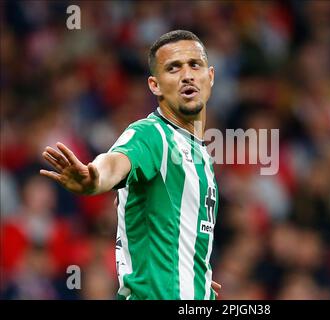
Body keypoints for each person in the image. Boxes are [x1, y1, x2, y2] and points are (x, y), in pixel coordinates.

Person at [40, 30, 221, 300]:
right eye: (173, 68)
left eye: (195, 65)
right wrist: (94, 179)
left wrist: (197, 280)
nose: (187, 75)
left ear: (210, 76)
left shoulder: (202, 158)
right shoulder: (152, 134)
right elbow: (115, 163)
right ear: (155, 85)